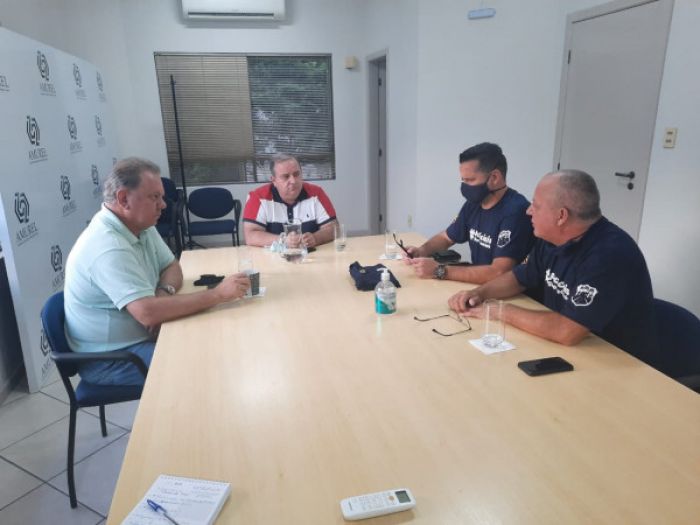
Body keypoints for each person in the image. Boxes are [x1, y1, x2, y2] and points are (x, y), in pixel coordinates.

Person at [448, 170, 662, 369]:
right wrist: (480, 293)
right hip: (568, 350)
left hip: (615, 361)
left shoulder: (609, 255)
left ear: (561, 216)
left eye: (536, 205)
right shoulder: (552, 237)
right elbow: (519, 278)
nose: (529, 211)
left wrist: (500, 311)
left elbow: (566, 331)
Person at [64, 158, 250, 386]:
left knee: (218, 336)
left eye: (161, 197)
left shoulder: (139, 225)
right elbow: (147, 313)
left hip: (143, 335)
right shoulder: (107, 246)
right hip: (113, 358)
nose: (163, 205)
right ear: (124, 199)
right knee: (209, 361)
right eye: (154, 197)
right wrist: (218, 294)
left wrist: (162, 295)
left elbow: (172, 266)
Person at [403, 142, 533, 284]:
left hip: (508, 292)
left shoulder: (516, 212)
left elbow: (499, 272)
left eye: (470, 180)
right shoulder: (474, 204)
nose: (465, 186)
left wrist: (440, 270)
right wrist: (421, 251)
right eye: (463, 180)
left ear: (495, 177)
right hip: (479, 286)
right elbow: (446, 237)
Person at [243, 153, 338, 248]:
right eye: (286, 176)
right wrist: (283, 240)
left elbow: (334, 228)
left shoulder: (316, 193)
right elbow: (250, 236)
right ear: (274, 180)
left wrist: (316, 238)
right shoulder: (257, 197)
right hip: (272, 256)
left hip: (310, 255)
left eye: (296, 174)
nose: (293, 181)